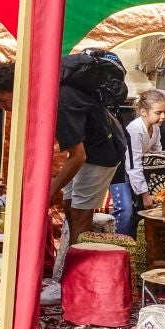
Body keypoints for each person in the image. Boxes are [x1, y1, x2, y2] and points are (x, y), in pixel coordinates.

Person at [51, 54, 126, 255]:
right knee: (69, 206)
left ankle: (77, 274)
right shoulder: (60, 92)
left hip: (103, 151)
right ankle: (69, 260)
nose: (2, 106)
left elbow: (78, 156)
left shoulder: (62, 100)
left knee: (79, 213)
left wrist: (51, 189)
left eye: (3, 100)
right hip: (95, 143)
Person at [115, 88, 165, 237]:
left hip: (138, 174)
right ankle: (121, 243)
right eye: (158, 113)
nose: (163, 116)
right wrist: (145, 194)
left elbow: (157, 156)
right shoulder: (135, 130)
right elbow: (133, 165)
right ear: (143, 112)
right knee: (125, 211)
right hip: (121, 174)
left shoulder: (155, 129)